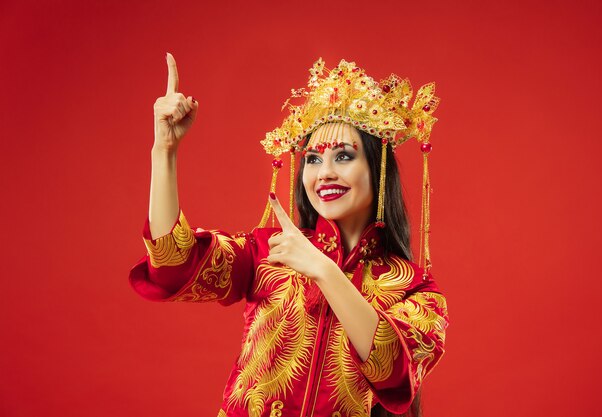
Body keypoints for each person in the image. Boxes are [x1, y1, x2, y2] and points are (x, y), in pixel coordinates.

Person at [129, 53, 449, 417]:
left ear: (377, 168)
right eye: (313, 159)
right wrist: (164, 151)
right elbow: (173, 261)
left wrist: (325, 271)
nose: (323, 173)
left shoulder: (414, 288)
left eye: (343, 157)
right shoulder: (269, 252)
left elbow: (394, 371)